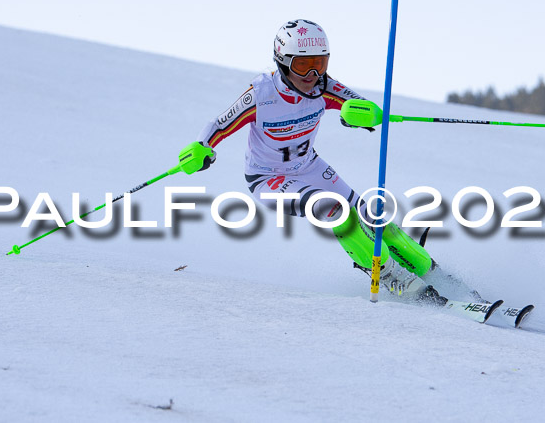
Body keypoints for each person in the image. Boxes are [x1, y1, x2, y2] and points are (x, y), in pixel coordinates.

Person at [179, 19, 445, 304]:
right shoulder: (262, 94)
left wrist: (362, 113)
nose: (313, 74)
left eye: (320, 62)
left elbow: (357, 104)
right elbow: (220, 124)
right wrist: (201, 148)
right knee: (334, 210)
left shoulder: (323, 86)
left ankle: (430, 270)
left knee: (372, 217)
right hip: (267, 178)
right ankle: (392, 276)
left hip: (309, 167)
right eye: (303, 66)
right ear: (282, 62)